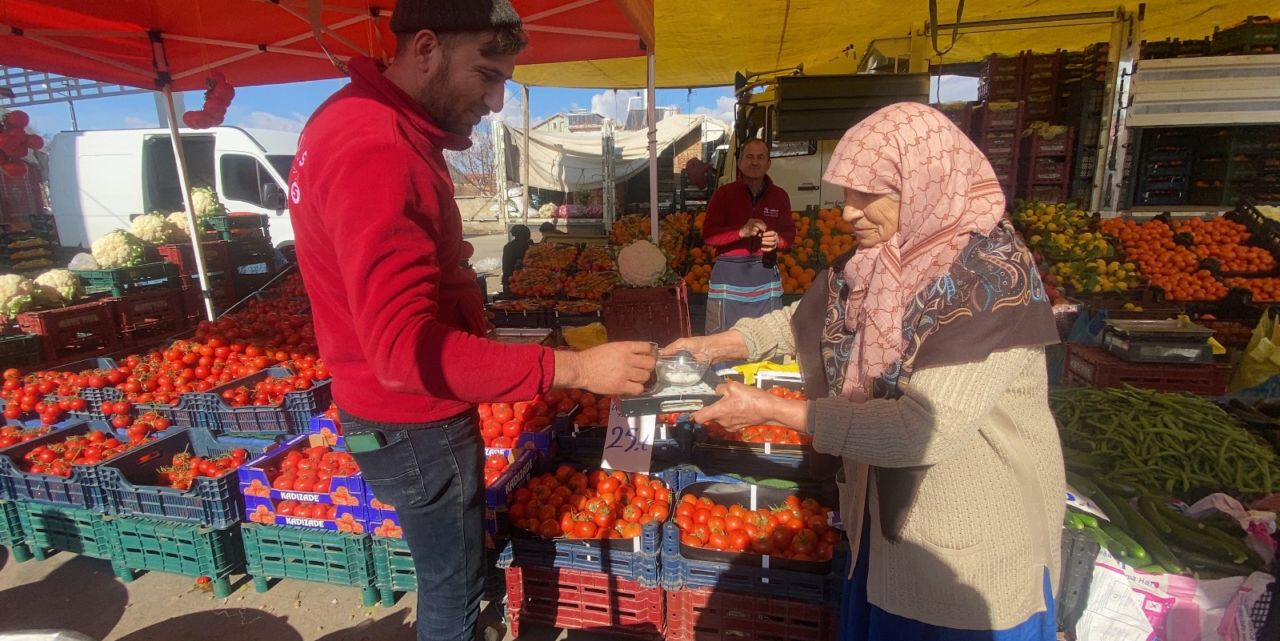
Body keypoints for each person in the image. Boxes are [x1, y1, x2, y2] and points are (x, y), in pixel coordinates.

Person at [286, 2, 657, 640]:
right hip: (414, 421)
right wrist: (577, 368)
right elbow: (407, 354)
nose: (494, 102)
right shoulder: (379, 146)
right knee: (453, 596)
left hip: (384, 411)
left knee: (449, 578)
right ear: (425, 48)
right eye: (486, 75)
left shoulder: (343, 118)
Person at [666, 103, 1063, 640]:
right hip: (880, 532)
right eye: (847, 193)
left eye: (868, 194)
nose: (849, 212)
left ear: (926, 182)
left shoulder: (990, 283)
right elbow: (802, 318)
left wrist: (769, 410)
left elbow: (921, 429)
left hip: (965, 560)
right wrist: (718, 344)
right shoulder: (881, 259)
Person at [700, 138, 795, 335]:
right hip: (728, 277)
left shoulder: (780, 196)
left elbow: (789, 235)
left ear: (768, 163)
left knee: (768, 337)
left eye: (761, 157)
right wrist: (741, 231)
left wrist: (778, 240)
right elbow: (709, 235)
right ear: (740, 162)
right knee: (723, 339)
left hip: (765, 274)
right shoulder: (723, 194)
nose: (755, 162)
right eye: (749, 157)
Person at [501, 224, 532, 292]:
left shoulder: (508, 246)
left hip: (509, 279)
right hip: (522, 281)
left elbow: (505, 266)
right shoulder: (528, 246)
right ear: (526, 235)